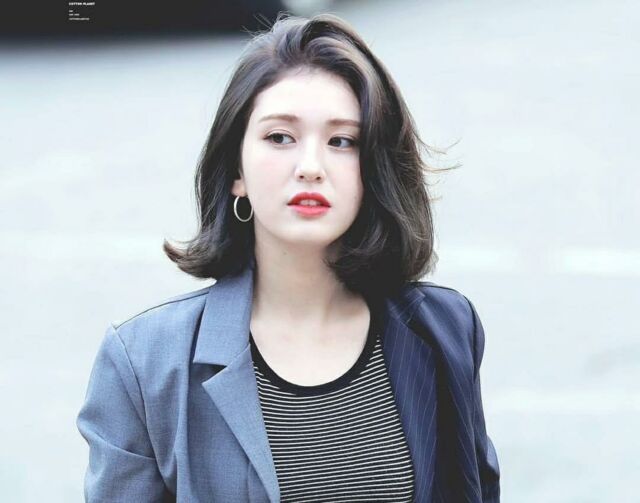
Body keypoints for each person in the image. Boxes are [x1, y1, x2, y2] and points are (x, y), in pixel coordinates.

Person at [76, 12, 500, 503]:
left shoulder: (443, 329)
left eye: (342, 141)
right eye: (280, 137)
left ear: (374, 169)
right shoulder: (145, 362)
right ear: (236, 170)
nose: (311, 167)